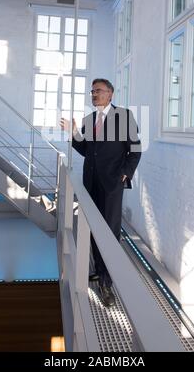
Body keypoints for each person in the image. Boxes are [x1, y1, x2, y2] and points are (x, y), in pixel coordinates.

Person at [60, 78, 141, 307]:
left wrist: (124, 174)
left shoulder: (124, 117)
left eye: (99, 91)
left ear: (110, 94)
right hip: (91, 184)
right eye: (92, 91)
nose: (94, 94)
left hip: (112, 185)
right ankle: (99, 270)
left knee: (110, 233)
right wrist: (74, 132)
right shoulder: (89, 119)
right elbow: (87, 150)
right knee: (94, 230)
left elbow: (135, 151)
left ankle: (106, 283)